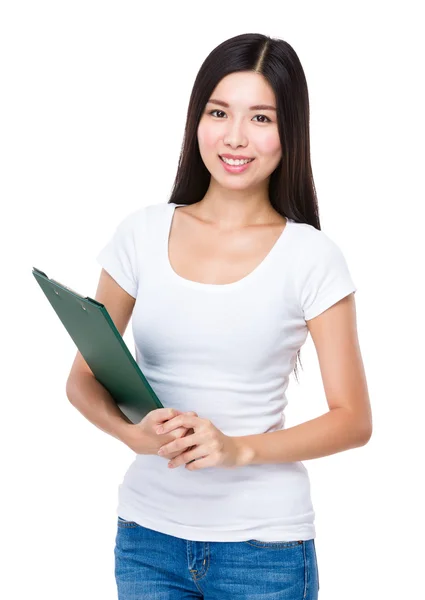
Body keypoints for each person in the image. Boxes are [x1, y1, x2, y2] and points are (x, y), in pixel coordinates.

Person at [66, 32, 372, 600]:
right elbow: (83, 378)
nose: (235, 137)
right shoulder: (142, 233)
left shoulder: (310, 256)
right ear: (196, 119)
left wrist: (239, 448)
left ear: (290, 132)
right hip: (147, 540)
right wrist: (133, 436)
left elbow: (353, 419)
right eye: (219, 112)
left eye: (261, 117)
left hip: (265, 550)